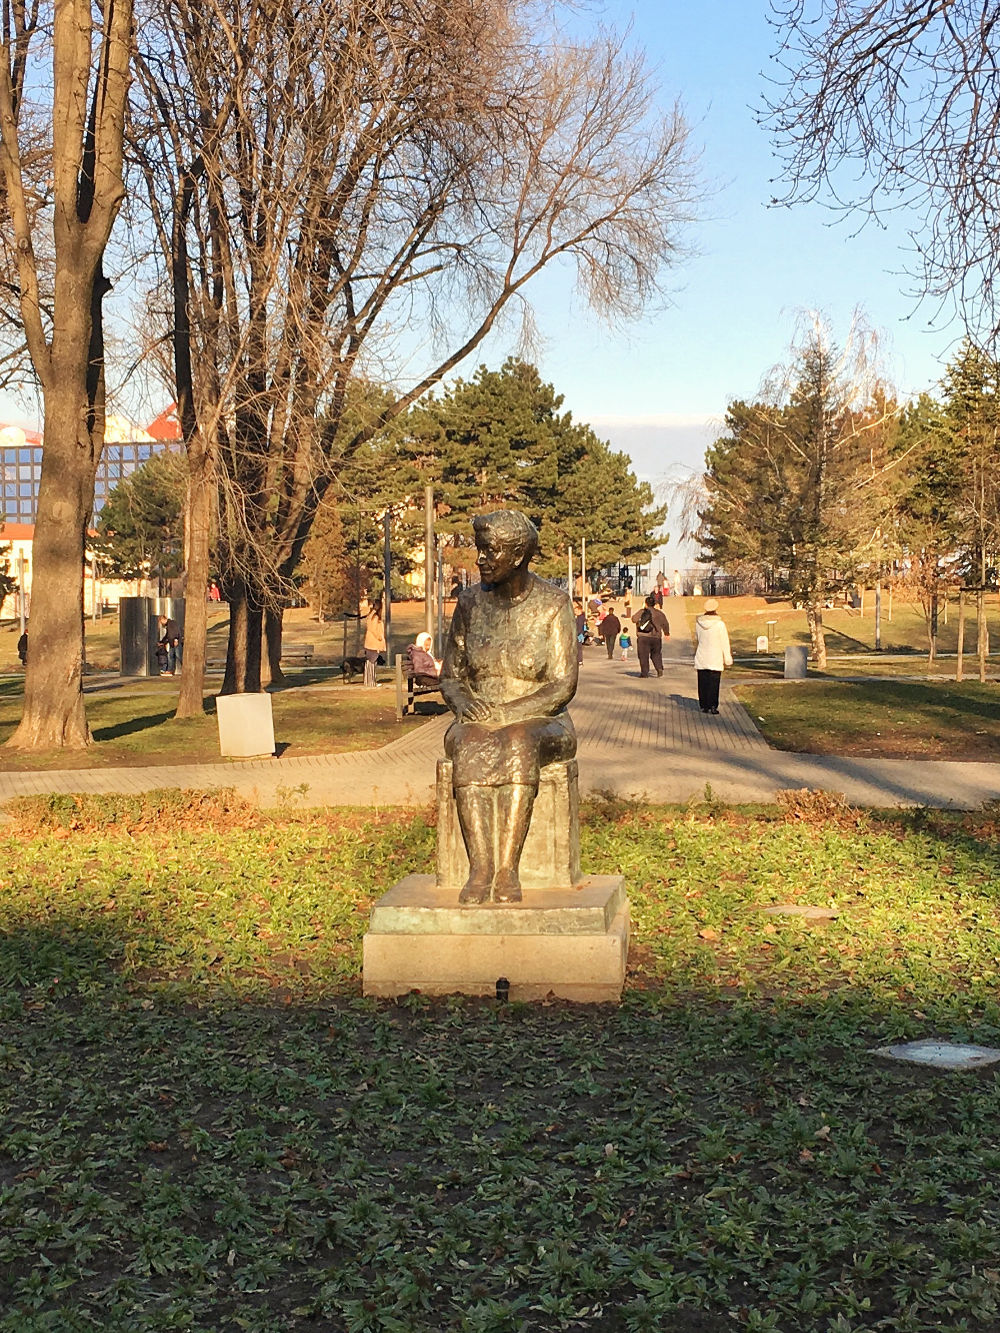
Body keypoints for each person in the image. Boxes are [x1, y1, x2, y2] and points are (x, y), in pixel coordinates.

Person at [441, 509, 577, 904]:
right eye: (479, 549)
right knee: (470, 744)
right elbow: (450, 675)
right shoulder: (469, 605)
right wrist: (465, 702)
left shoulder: (553, 605)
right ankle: (480, 868)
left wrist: (511, 713)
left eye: (490, 551)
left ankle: (507, 870)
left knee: (517, 740)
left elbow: (563, 684)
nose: (480, 559)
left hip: (544, 721)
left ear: (517, 556)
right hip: (478, 718)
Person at [694, 597, 733, 715]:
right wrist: (727, 657)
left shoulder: (698, 624)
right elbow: (724, 641)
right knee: (714, 682)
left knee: (702, 681)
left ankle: (704, 705)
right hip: (715, 656)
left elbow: (698, 638)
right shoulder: (720, 624)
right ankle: (712, 705)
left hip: (702, 655)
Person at [631, 594, 670, 678]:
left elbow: (634, 619)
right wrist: (667, 633)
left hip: (643, 637)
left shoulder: (642, 612)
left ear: (645, 603)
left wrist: (642, 609)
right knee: (656, 654)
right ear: (654, 604)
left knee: (643, 655)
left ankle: (644, 673)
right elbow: (665, 624)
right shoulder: (659, 613)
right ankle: (659, 669)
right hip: (656, 637)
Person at [363, 597, 386, 688]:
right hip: (373, 643)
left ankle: (368, 681)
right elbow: (372, 629)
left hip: (370, 643)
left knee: (369, 662)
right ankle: (372, 682)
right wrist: (378, 636)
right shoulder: (375, 617)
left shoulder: (371, 616)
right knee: (372, 662)